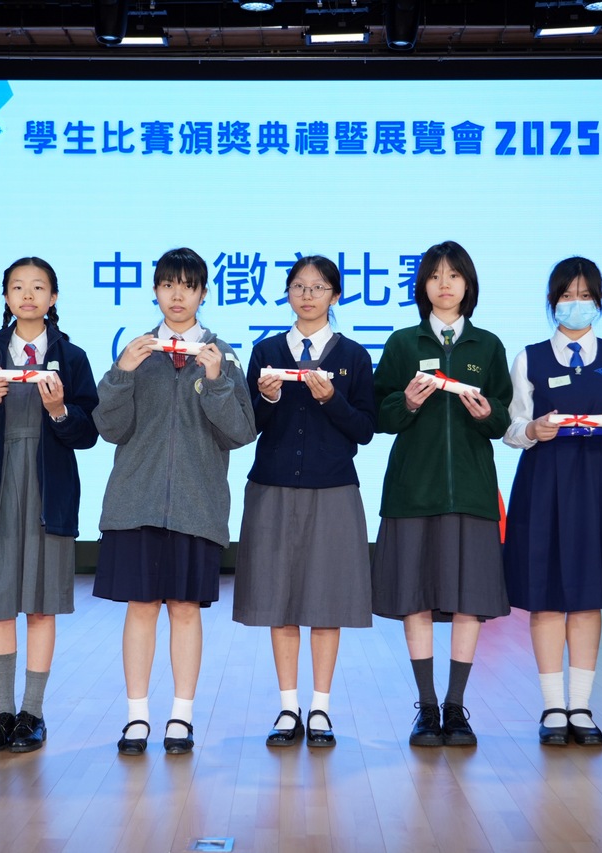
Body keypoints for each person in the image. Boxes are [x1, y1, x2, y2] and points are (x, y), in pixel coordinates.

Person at [92, 247, 256, 756]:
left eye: (187, 285)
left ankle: (181, 718)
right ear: (156, 292)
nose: (177, 295)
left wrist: (215, 383)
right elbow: (108, 427)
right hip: (135, 502)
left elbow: (240, 432)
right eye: (167, 285)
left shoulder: (223, 354)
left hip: (196, 505)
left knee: (185, 609)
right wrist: (121, 373)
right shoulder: (138, 351)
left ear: (203, 293)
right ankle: (137, 718)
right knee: (140, 607)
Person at [0, 257, 99, 754]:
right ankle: (2, 712)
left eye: (38, 287)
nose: (28, 295)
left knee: (40, 603)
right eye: (18, 287)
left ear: (53, 298)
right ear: (6, 296)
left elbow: (88, 434)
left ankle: (33, 713)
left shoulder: (72, 358)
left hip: (47, 490)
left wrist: (59, 410)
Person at [372, 240, 513, 748]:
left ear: (468, 284)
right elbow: (379, 414)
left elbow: (503, 418)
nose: (445, 284)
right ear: (423, 286)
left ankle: (456, 707)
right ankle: (426, 707)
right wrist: (406, 404)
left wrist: (488, 415)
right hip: (413, 490)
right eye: (435, 276)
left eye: (454, 275)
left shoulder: (487, 345)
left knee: (468, 602)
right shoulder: (402, 343)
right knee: (416, 599)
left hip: (471, 492)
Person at [501, 257, 602, 747]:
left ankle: (581, 706)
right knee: (545, 596)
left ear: (599, 302)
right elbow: (512, 427)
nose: (575, 303)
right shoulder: (529, 357)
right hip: (544, 478)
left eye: (585, 295)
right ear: (552, 302)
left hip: (600, 478)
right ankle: (552, 707)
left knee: (587, 597)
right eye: (566, 295)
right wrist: (532, 430)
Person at [233, 256, 376, 748]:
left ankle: (320, 708)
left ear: (335, 295)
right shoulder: (266, 351)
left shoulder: (354, 355)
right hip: (272, 487)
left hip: (333, 489)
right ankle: (287, 706)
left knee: (326, 600)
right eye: (298, 286)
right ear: (288, 293)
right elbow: (248, 426)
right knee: (280, 601)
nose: (308, 295)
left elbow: (365, 430)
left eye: (318, 287)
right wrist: (269, 399)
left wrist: (331, 398)